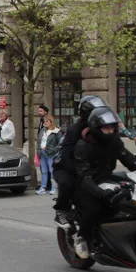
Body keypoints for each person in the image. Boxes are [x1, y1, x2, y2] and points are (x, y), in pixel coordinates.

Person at [72, 107, 136, 259]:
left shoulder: (114, 141)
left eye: (112, 127)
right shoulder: (83, 145)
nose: (110, 131)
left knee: (132, 198)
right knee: (93, 208)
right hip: (86, 182)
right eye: (106, 128)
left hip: (106, 177)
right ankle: (81, 237)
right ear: (96, 128)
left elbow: (129, 160)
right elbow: (84, 175)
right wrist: (99, 192)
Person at [53, 95, 109, 226]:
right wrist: (77, 172)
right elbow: (66, 154)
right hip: (67, 166)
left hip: (89, 167)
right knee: (68, 184)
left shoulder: (101, 128)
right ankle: (61, 210)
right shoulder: (75, 129)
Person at [37, 115, 62, 194]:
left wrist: (54, 150)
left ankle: (54, 188)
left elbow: (60, 143)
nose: (45, 123)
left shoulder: (56, 131)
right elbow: (38, 141)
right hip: (42, 153)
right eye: (44, 121)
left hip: (51, 154)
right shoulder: (42, 130)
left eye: (47, 121)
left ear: (51, 122)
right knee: (44, 171)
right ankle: (43, 187)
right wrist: (38, 150)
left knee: (52, 171)